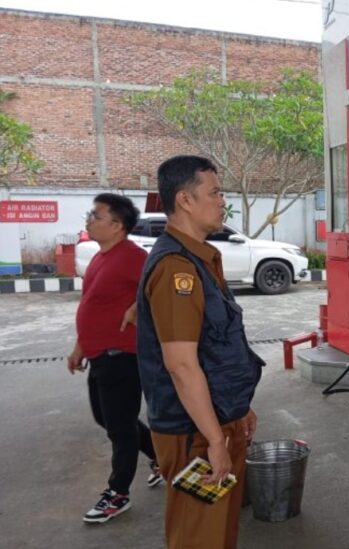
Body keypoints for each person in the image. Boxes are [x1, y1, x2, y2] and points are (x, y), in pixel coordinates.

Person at [136, 155, 264, 549]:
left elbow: (218, 348)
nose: (222, 201)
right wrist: (214, 440)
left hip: (215, 420)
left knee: (219, 532)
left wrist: (238, 408)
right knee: (199, 537)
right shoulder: (177, 268)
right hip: (193, 432)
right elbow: (181, 365)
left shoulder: (201, 259)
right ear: (185, 200)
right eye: (215, 192)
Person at [67, 193, 162, 524]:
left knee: (120, 429)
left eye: (96, 215)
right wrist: (80, 346)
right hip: (98, 355)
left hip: (122, 355)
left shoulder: (134, 257)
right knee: (107, 419)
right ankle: (162, 458)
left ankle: (118, 494)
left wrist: (138, 306)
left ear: (117, 225)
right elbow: (93, 305)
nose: (89, 220)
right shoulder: (100, 257)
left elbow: (160, 288)